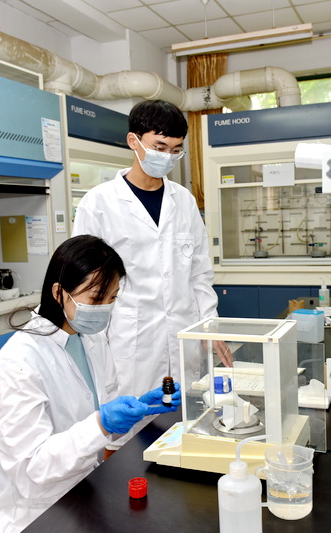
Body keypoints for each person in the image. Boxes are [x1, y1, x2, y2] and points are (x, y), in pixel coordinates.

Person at [0, 235, 181, 533]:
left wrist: (138, 410)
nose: (105, 308)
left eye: (112, 298)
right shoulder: (19, 361)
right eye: (96, 298)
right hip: (38, 513)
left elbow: (103, 412)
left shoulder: (90, 339)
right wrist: (101, 424)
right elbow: (32, 468)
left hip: (84, 491)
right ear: (59, 292)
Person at [72, 100, 231, 438]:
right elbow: (86, 286)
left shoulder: (184, 201)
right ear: (134, 141)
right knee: (132, 436)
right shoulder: (98, 204)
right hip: (131, 343)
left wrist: (209, 325)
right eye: (159, 147)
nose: (167, 157)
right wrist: (95, 353)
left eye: (175, 150)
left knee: (189, 428)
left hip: (184, 338)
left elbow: (200, 274)